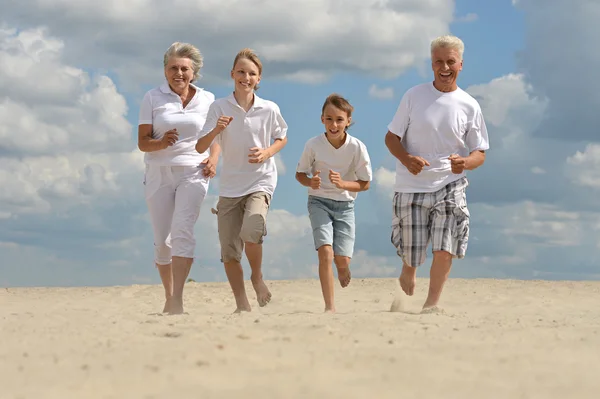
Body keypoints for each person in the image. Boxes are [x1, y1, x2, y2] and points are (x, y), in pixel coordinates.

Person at [384, 35, 489, 312]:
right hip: (411, 186)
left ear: (461, 65)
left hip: (450, 184)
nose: (445, 68)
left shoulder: (469, 105)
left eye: (450, 62)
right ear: (431, 64)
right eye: (439, 62)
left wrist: (464, 163)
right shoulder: (413, 96)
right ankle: (409, 267)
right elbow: (391, 138)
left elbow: (480, 153)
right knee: (412, 250)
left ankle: (431, 305)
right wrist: (407, 159)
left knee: (446, 245)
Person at [196, 48, 288, 313]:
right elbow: (201, 146)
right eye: (241, 72)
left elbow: (282, 136)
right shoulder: (219, 107)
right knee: (229, 251)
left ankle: (256, 276)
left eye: (252, 74)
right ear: (232, 74)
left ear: (258, 79)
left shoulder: (269, 108)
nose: (245, 77)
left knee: (252, 230)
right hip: (230, 186)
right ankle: (242, 306)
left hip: (261, 181)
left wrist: (267, 152)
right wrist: (217, 129)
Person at [137, 42, 220, 315]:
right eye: (173, 68)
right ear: (165, 71)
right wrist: (161, 144)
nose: (179, 73)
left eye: (185, 68)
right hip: (159, 173)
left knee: (183, 231)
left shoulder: (208, 100)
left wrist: (214, 158)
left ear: (194, 72)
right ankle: (168, 293)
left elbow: (215, 137)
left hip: (194, 172)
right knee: (164, 241)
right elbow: (143, 142)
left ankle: (178, 299)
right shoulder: (152, 97)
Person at [296, 94, 372, 313]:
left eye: (339, 119)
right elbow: (299, 174)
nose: (334, 124)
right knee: (325, 253)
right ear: (322, 119)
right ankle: (330, 307)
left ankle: (343, 267)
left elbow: (365, 183)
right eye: (329, 119)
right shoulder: (313, 145)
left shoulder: (357, 147)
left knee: (342, 260)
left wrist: (344, 184)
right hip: (318, 201)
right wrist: (311, 181)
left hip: (345, 206)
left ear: (348, 121)